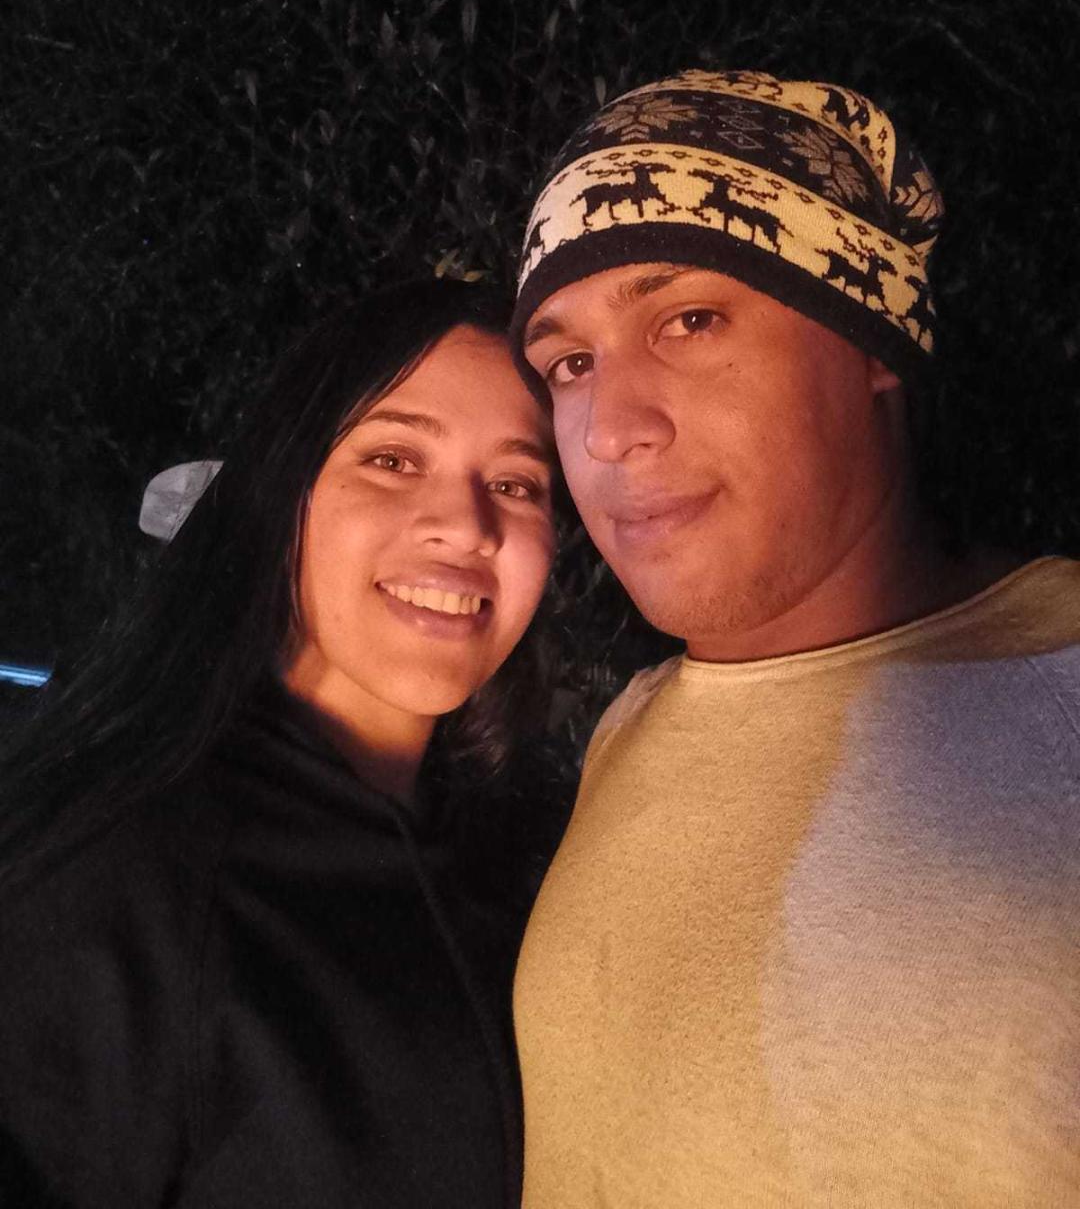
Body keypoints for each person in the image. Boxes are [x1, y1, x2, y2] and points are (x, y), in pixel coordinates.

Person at [508, 69, 1080, 1207]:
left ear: (874, 340)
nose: (611, 430)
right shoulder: (628, 729)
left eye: (690, 320)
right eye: (571, 364)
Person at [0, 278, 564, 1209]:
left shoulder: (535, 853)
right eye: (393, 459)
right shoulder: (115, 883)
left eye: (515, 483)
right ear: (283, 494)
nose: (468, 526)